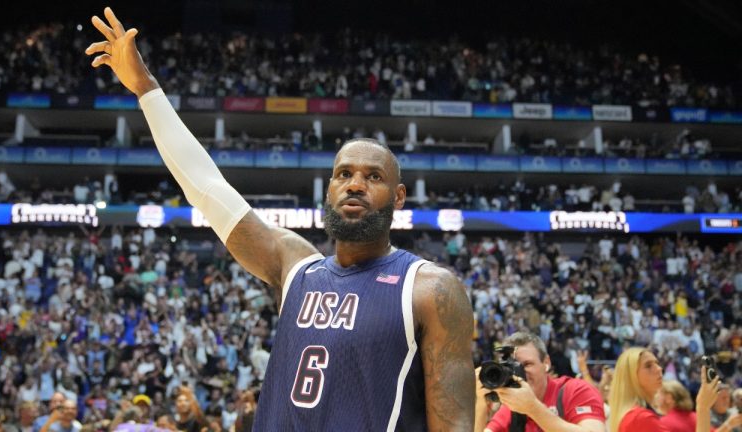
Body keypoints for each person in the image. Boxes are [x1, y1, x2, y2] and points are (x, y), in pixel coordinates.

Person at [86, 7, 474, 431]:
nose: (355, 185)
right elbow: (208, 189)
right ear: (328, 189)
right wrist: (146, 88)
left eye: (373, 177)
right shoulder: (295, 267)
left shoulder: (431, 289)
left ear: (398, 197)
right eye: (344, 174)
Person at [476, 332, 606, 432]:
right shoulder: (511, 407)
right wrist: (480, 402)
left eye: (527, 364)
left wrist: (533, 408)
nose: (519, 373)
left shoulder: (576, 390)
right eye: (511, 368)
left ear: (546, 363)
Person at [607, 347, 719, 432]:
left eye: (657, 363)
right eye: (648, 366)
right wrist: (703, 408)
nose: (659, 369)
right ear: (631, 376)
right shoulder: (641, 418)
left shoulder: (631, 415)